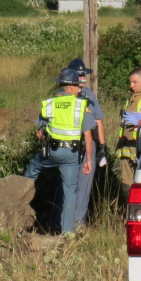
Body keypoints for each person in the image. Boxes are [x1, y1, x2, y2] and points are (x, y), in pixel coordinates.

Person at [25, 67, 95, 234]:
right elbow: (88, 137)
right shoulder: (80, 106)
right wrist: (90, 160)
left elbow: (39, 131)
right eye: (78, 86)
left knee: (31, 172)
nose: (80, 88)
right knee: (69, 190)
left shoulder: (50, 104)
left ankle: (17, 196)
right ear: (71, 87)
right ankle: (67, 233)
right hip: (71, 155)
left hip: (50, 152)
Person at [67, 57, 106, 230]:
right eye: (80, 75)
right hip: (73, 147)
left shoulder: (89, 94)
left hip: (83, 146)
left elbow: (98, 120)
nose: (83, 78)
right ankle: (69, 223)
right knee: (71, 185)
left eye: (84, 75)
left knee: (81, 187)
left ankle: (76, 223)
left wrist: (103, 148)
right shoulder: (65, 95)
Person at [115, 68, 141, 199]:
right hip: (126, 148)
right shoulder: (131, 98)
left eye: (134, 82)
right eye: (130, 82)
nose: (131, 86)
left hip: (140, 148)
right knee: (126, 185)